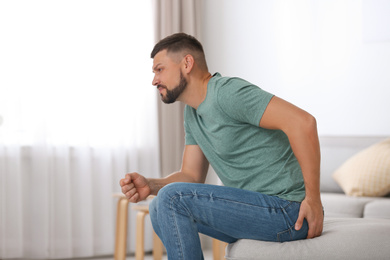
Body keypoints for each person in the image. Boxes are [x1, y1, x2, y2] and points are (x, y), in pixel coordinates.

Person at [120, 33, 324, 259]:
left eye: (160, 69)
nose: (154, 80)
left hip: (288, 211)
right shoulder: (192, 113)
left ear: (187, 63)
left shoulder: (227, 92)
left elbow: (303, 123)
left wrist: (313, 199)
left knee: (171, 199)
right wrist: (151, 184)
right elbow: (191, 175)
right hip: (258, 208)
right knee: (159, 206)